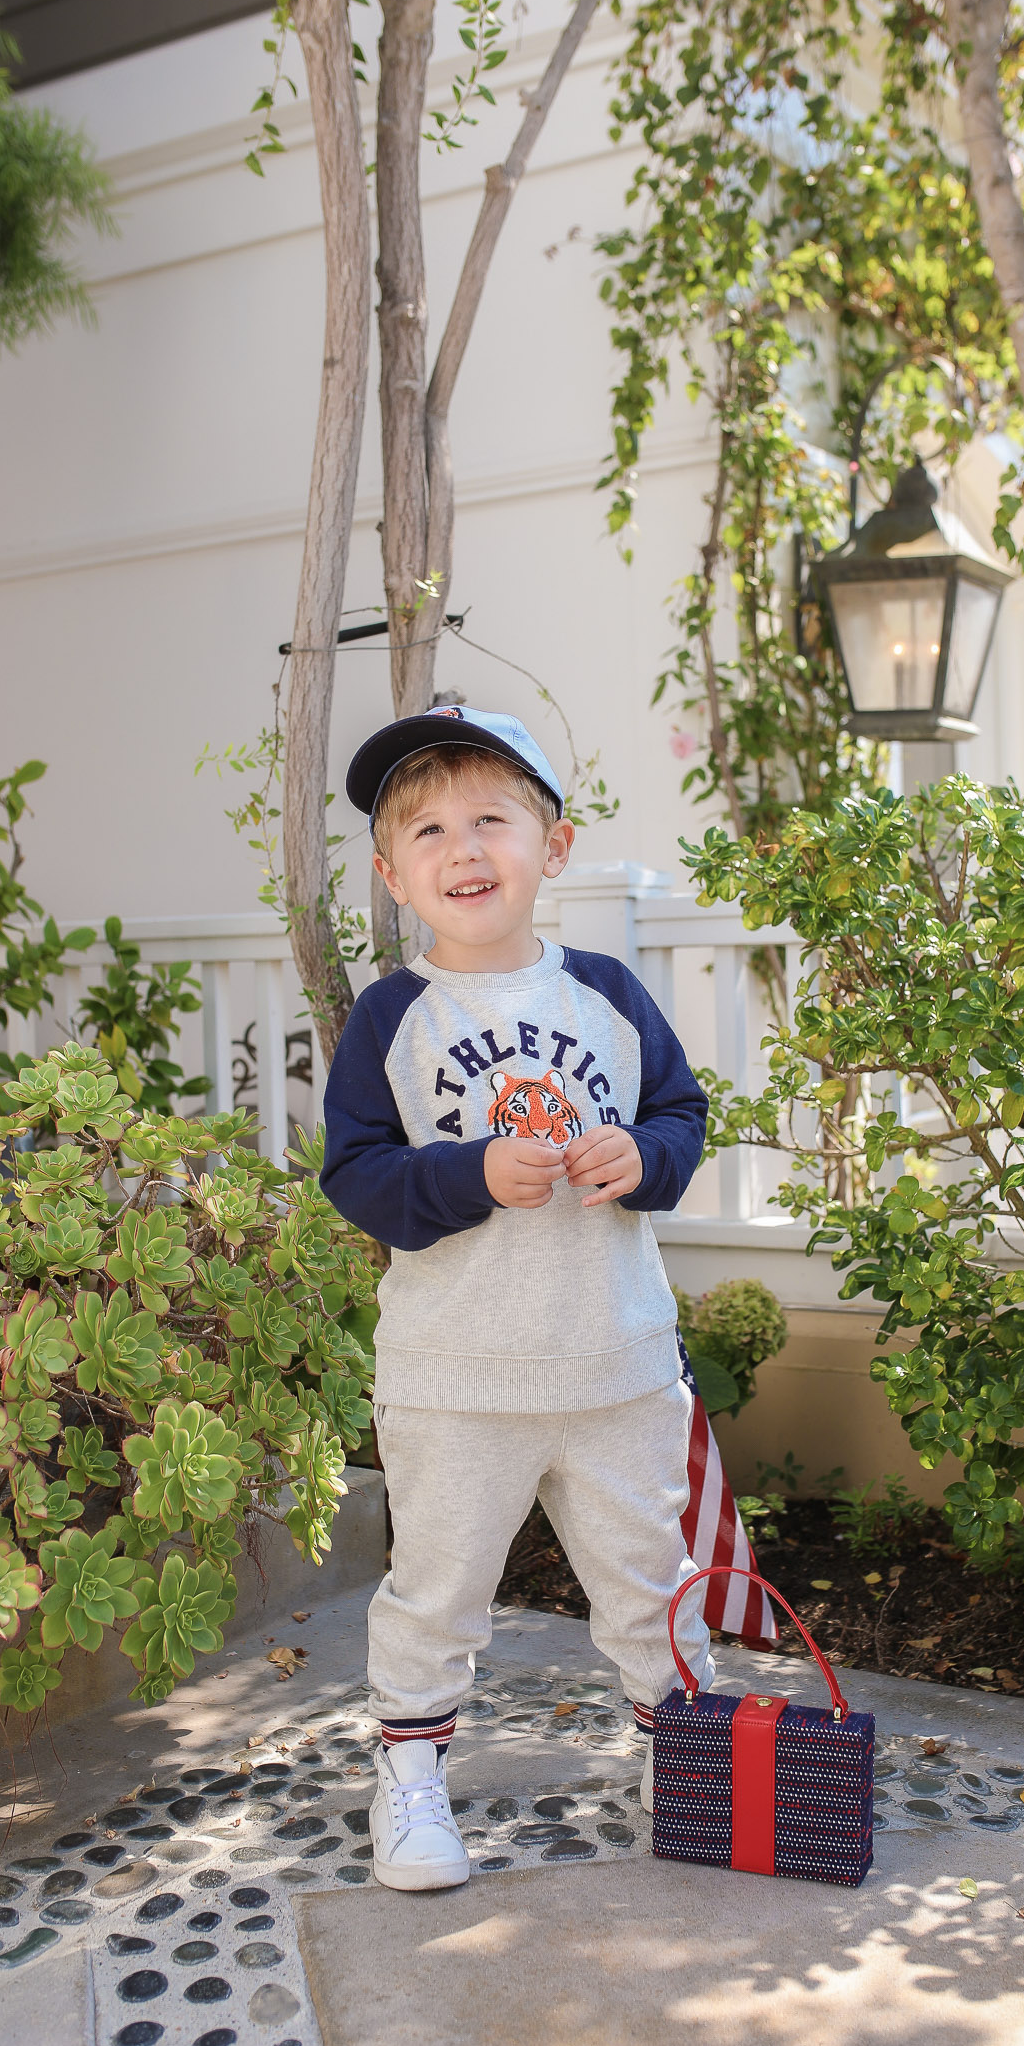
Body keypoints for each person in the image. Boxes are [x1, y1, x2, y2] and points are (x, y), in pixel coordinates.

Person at [320, 706, 713, 1892]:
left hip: (615, 1364)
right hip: (456, 1375)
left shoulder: (607, 993)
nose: (464, 845)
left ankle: (681, 1756)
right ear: (393, 875)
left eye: (493, 816)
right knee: (437, 1588)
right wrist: (468, 1172)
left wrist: (642, 1156)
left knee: (652, 1581)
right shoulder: (393, 1018)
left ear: (556, 843)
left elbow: (683, 1119)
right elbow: (358, 1175)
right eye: (428, 827)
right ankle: (413, 1774)